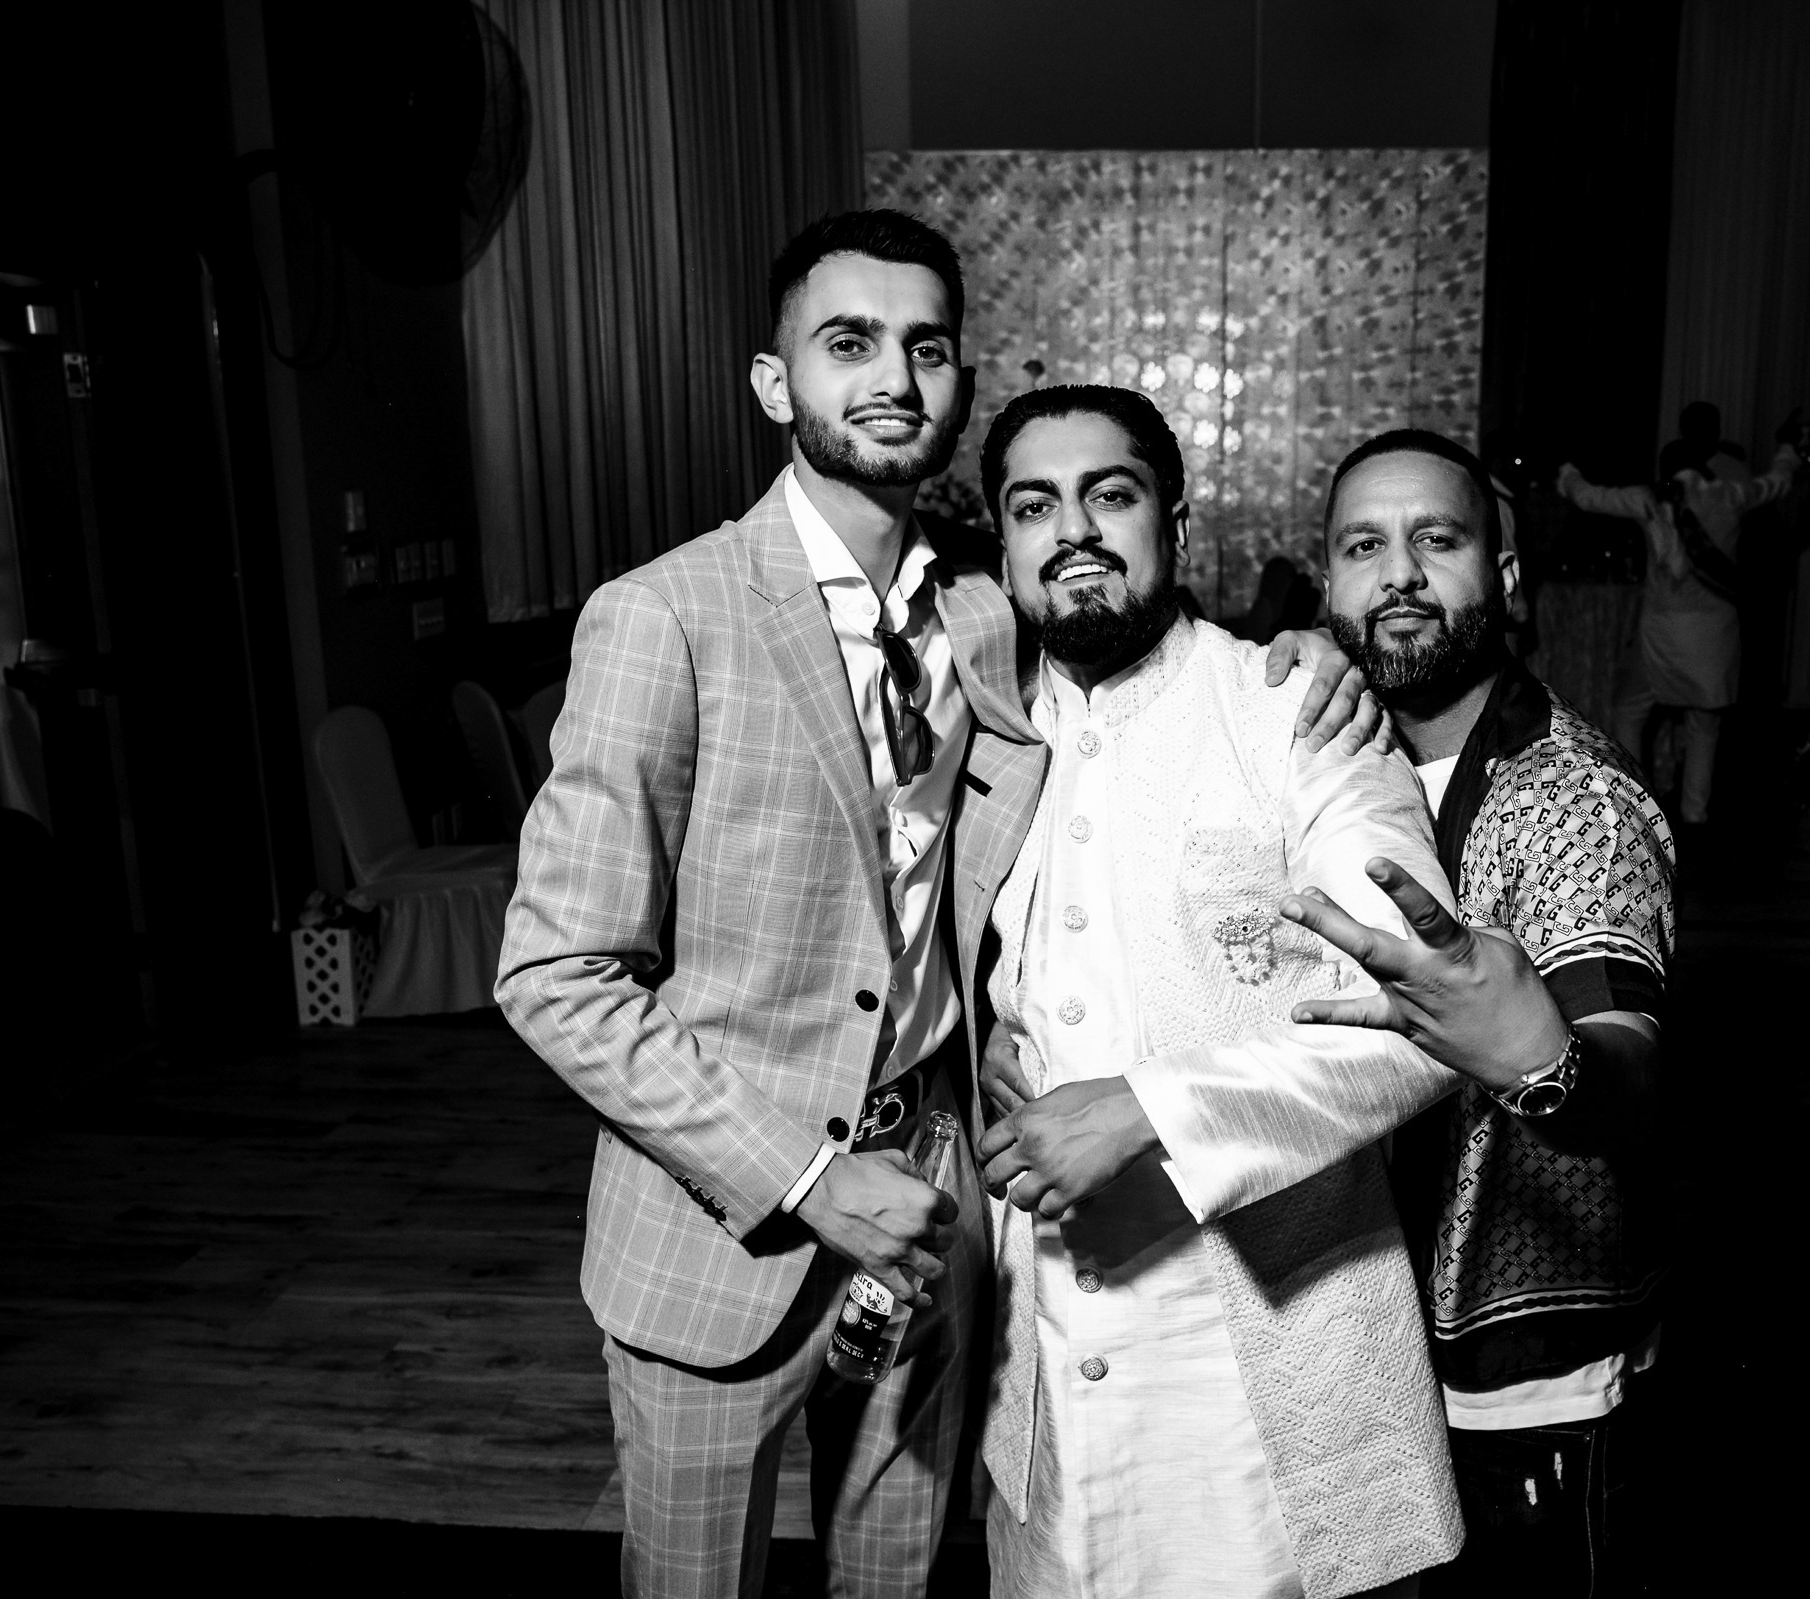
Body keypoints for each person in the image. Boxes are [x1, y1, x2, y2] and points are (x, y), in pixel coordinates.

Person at [495, 212, 1376, 1599]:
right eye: (848, 343)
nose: (893, 376)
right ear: (777, 383)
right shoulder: (662, 615)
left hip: (935, 1213)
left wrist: (1312, 648)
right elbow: (556, 976)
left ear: (960, 381)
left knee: (894, 1579)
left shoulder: (984, 612)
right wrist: (802, 1173)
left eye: (927, 346)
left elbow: (1135, 630)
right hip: (724, 1233)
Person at [986, 426, 1677, 1595]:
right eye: (1366, 546)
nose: (1399, 576)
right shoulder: (1290, 702)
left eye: (1438, 541)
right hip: (1099, 1361)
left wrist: (1551, 1063)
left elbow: (1621, 1056)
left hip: (1508, 1360)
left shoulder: (1569, 797)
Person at [969, 384, 1465, 1598]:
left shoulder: (1294, 711)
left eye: (1111, 496)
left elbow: (1425, 1012)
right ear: (1005, 546)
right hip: (1036, 1365)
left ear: (1175, 526)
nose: (1073, 530)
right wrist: (988, 1028)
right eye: (1036, 506)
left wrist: (1147, 1108)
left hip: (1257, 1365)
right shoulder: (978, 736)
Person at [1558, 422, 1799, 828]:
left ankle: (1635, 808)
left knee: (1629, 713)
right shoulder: (1731, 495)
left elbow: (1587, 497)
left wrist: (1566, 470)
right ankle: (1694, 812)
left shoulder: (1648, 500)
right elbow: (1777, 482)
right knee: (1704, 727)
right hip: (1714, 634)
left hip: (1662, 631)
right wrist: (1787, 451)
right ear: (1703, 465)